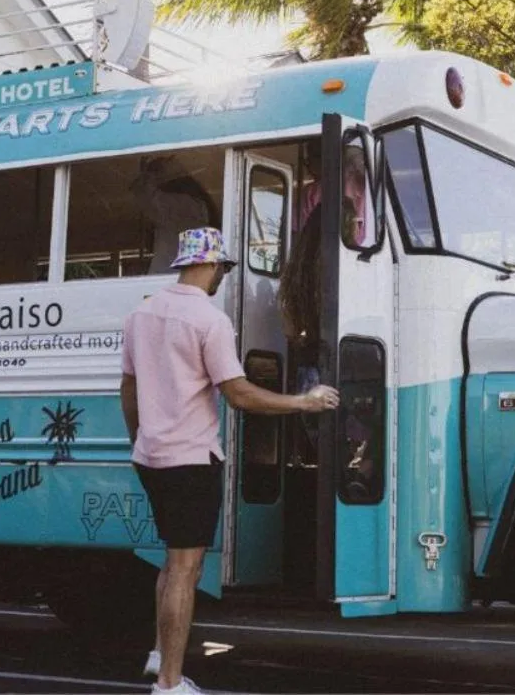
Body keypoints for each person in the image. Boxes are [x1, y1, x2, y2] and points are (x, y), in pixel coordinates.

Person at [120, 226, 340, 695]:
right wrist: (304, 402)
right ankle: (169, 683)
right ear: (211, 264)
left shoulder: (142, 313)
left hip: (152, 457)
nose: (222, 275)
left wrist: (139, 440)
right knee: (185, 569)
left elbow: (129, 387)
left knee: (174, 561)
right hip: (191, 460)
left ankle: (160, 654)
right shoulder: (209, 320)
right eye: (223, 267)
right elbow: (238, 394)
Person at [131, 156, 219, 274]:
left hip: (167, 275)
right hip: (185, 275)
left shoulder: (178, 205)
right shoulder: (197, 206)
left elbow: (143, 193)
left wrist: (146, 173)